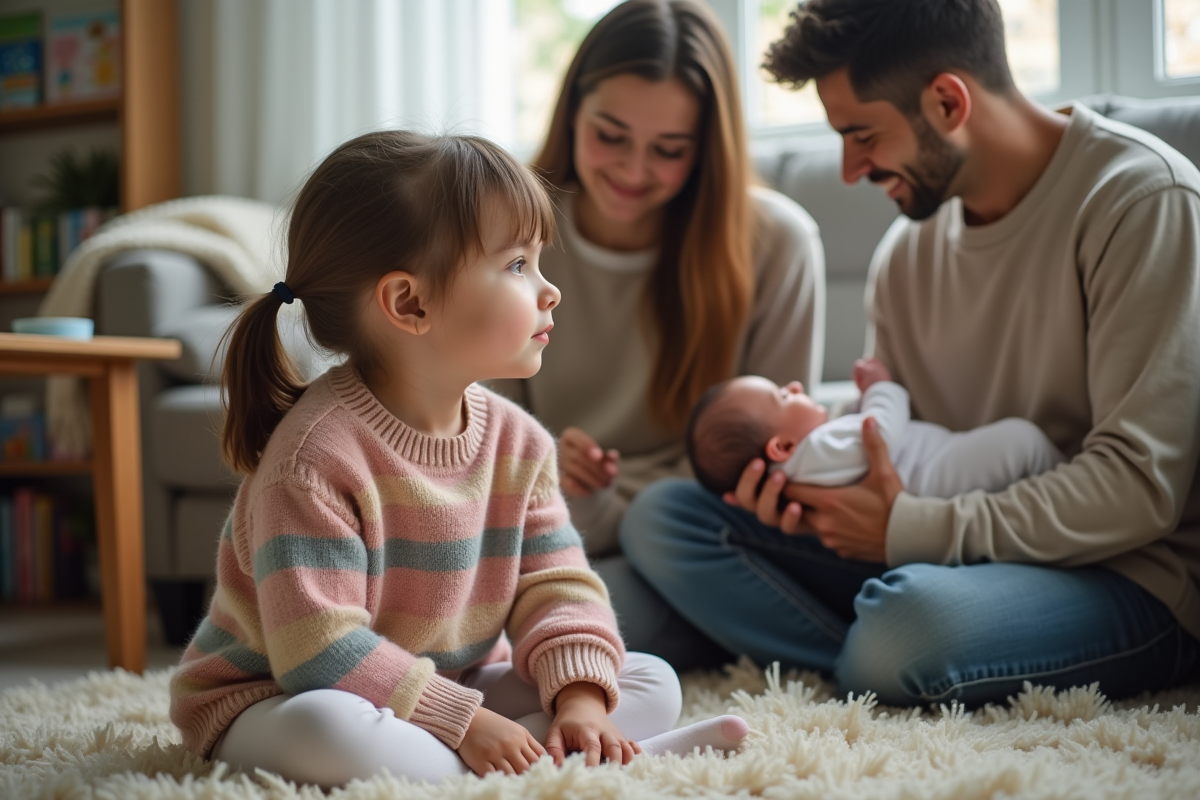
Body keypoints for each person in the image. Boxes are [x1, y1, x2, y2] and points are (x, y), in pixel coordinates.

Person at [621, 0, 1200, 707]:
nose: (847, 168)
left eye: (861, 134)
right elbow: (888, 445)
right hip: (940, 550)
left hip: (1121, 574)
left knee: (908, 626)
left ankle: (882, 650)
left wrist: (909, 531)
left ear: (948, 101)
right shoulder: (907, 253)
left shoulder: (1140, 203)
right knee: (665, 516)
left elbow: (1141, 490)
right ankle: (870, 655)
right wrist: (813, 496)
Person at [167, 130, 748, 788]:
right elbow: (318, 653)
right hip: (278, 697)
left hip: (448, 684)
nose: (549, 290)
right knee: (325, 728)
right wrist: (467, 724)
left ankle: (536, 759)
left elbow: (557, 584)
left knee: (648, 680)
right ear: (409, 303)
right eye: (517, 265)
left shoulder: (520, 442)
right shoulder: (312, 459)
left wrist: (579, 701)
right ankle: (564, 768)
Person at [488, 0, 825, 666]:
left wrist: (610, 505)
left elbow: (774, 457)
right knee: (488, 622)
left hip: (694, 540)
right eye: (610, 135)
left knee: (541, 628)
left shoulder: (777, 244)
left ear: (706, 150)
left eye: (669, 150)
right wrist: (567, 485)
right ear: (571, 112)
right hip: (538, 527)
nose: (634, 170)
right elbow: (477, 440)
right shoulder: (502, 230)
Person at [687, 357, 1064, 498]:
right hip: (933, 474)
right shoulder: (815, 452)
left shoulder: (806, 466)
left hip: (933, 469)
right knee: (1021, 441)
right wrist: (881, 388)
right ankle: (1067, 479)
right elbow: (876, 435)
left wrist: (851, 405)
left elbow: (849, 437)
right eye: (783, 396)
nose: (796, 386)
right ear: (782, 447)